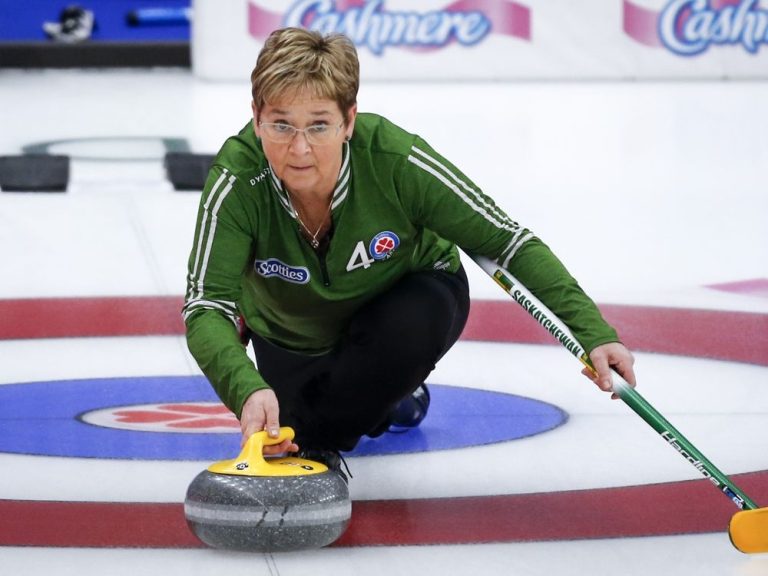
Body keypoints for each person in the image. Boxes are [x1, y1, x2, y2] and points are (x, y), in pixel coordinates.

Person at [182, 27, 636, 479]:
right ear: (256, 118)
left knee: (318, 425)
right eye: (281, 124)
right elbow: (205, 305)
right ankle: (392, 395)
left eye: (319, 125)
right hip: (293, 331)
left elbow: (507, 240)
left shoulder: (394, 159)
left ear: (349, 121)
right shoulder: (238, 180)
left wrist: (593, 332)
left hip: (402, 301)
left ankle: (376, 393)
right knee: (311, 409)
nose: (299, 148)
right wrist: (246, 390)